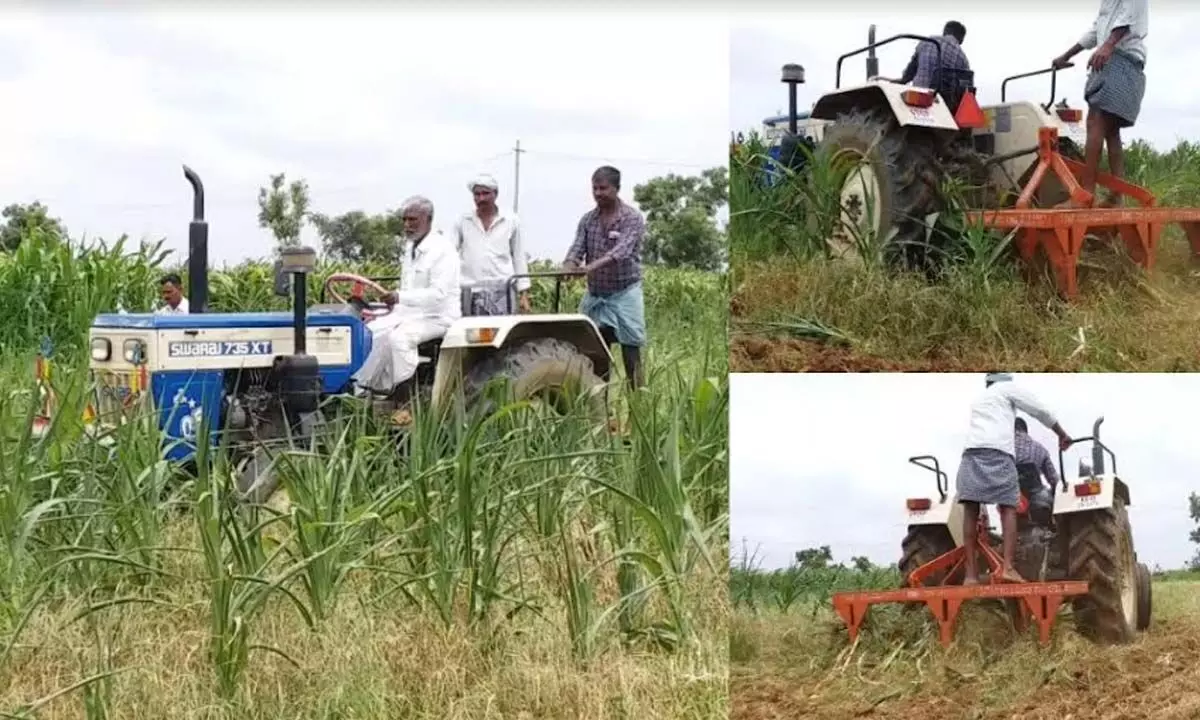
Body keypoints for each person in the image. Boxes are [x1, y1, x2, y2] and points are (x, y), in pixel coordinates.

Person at [957, 373, 1072, 585]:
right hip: (1000, 458)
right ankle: (1008, 568)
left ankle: (971, 575)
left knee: (971, 509)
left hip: (971, 454)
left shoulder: (980, 400)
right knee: (1009, 506)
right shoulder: (1007, 389)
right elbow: (1039, 410)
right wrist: (1061, 433)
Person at [352, 196, 460, 421]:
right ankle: (362, 393)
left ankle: (405, 402)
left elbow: (438, 294)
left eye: (413, 220)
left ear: (428, 220)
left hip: (438, 316)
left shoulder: (443, 251)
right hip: (410, 313)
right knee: (369, 332)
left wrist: (400, 297)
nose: (407, 225)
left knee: (400, 339)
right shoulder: (410, 248)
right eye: (405, 220)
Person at [1051, 0, 1149, 208]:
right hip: (1120, 59)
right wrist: (1066, 56)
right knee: (1110, 129)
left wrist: (1107, 46)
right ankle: (1116, 197)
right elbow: (1096, 31)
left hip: (1121, 59)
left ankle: (1085, 195)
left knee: (1095, 120)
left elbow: (1126, 19)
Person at [561, 166, 647, 389]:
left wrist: (589, 268)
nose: (598, 193)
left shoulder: (631, 218)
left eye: (603, 188)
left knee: (631, 352)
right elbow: (577, 248)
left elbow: (621, 252)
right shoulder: (588, 220)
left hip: (625, 293)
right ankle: (601, 410)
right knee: (595, 353)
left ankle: (639, 406)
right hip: (596, 296)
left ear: (616, 189)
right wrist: (569, 266)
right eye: (594, 188)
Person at [454, 174, 531, 316]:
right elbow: (450, 254)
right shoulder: (463, 220)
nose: (481, 198)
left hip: (503, 290)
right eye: (477, 194)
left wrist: (523, 294)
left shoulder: (510, 220)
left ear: (495, 194)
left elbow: (519, 256)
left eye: (485, 193)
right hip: (470, 290)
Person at [887, 21, 971, 93]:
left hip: (919, 94)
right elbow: (965, 89)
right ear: (961, 38)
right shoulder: (963, 58)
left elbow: (910, 72)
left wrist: (902, 81)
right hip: (946, 104)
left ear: (945, 31)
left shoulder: (926, 41)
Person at [1013, 417, 1061, 517]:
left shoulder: (1003, 448)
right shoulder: (1040, 448)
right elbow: (1054, 481)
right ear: (1025, 430)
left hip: (1009, 500)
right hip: (1037, 499)